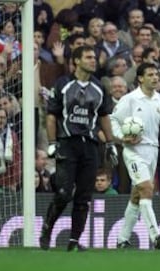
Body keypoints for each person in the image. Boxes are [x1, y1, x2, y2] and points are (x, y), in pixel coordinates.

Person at [39, 45, 118, 252]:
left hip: (90, 145)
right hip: (67, 142)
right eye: (89, 57)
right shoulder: (63, 84)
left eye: (94, 57)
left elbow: (104, 116)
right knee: (65, 192)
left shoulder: (100, 87)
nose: (94, 60)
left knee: (84, 195)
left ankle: (74, 241)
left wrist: (110, 143)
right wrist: (53, 142)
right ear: (76, 61)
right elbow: (51, 115)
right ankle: (47, 227)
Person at [110, 62, 160, 249]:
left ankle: (122, 239)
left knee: (137, 196)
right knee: (147, 188)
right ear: (140, 78)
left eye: (157, 74)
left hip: (153, 150)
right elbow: (113, 120)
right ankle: (156, 237)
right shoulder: (130, 99)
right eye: (151, 74)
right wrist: (123, 137)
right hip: (133, 151)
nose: (155, 78)